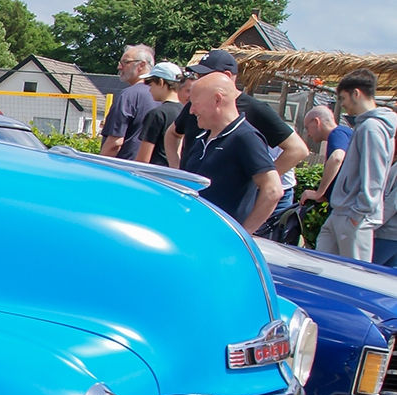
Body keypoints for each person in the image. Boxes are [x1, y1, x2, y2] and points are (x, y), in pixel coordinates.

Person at [165, 51, 308, 217]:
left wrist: (254, 180)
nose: (199, 80)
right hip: (193, 202)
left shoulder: (254, 112)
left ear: (226, 77)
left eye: (204, 75)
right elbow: (173, 133)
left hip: (223, 213)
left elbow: (297, 150)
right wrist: (176, 169)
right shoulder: (195, 105)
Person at [182, 71, 281, 233]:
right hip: (194, 233)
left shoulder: (245, 138)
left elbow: (273, 190)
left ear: (217, 100)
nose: (191, 111)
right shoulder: (202, 137)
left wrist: (243, 234)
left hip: (220, 240)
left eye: (195, 103)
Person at [320, 69, 397, 262]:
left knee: (352, 275)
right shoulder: (365, 126)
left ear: (356, 93)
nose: (342, 104)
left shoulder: (372, 127)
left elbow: (375, 175)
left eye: (343, 98)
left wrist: (358, 214)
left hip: (354, 216)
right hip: (342, 212)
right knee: (322, 265)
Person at [100, 44, 155, 159]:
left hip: (123, 169)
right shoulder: (161, 96)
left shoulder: (128, 96)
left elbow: (115, 143)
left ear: (141, 65)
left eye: (125, 62)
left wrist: (96, 168)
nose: (119, 67)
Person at [299, 105, 353, 205]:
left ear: (316, 122)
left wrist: (319, 193)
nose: (308, 134)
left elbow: (337, 158)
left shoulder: (337, 133)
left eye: (307, 128)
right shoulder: (345, 133)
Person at [134, 61, 184, 166]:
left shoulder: (157, 114)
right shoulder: (185, 112)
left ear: (161, 82)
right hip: (176, 174)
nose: (150, 90)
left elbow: (143, 159)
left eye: (151, 85)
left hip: (155, 174)